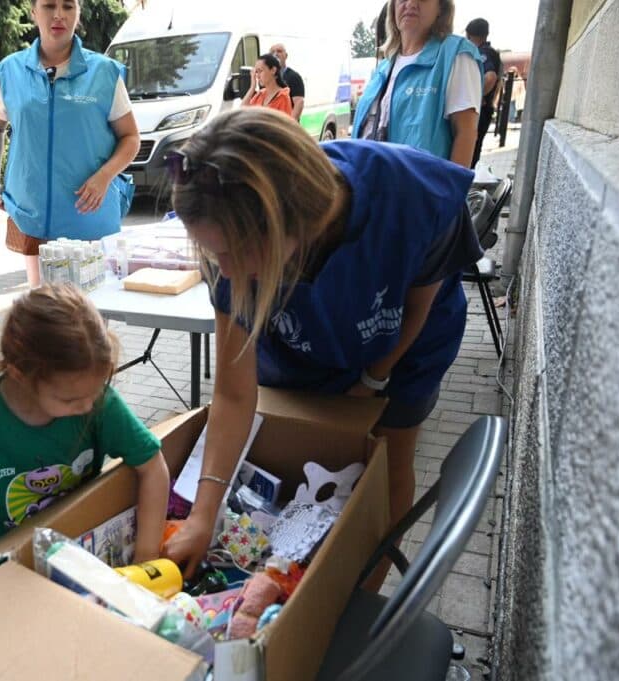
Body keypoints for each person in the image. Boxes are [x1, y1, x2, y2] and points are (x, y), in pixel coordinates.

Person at [160, 108, 483, 587]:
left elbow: (417, 305)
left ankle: (362, 597)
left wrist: (373, 379)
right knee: (303, 454)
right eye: (213, 254)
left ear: (288, 220)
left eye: (234, 253)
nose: (224, 271)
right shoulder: (233, 241)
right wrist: (204, 515)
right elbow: (232, 395)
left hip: (404, 342)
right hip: (305, 336)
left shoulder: (411, 195)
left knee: (386, 465)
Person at [0, 284, 170, 564]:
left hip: (85, 551)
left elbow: (153, 466)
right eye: (70, 399)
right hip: (9, 561)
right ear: (20, 374)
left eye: (95, 391)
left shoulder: (100, 404)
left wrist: (146, 557)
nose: (86, 406)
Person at [0, 0, 141, 288]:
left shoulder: (104, 72)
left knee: (92, 316)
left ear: (78, 14)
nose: (58, 15)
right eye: (49, 5)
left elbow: (131, 138)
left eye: (68, 6)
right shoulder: (9, 71)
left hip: (90, 216)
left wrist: (104, 177)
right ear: (33, 12)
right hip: (32, 218)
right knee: (45, 314)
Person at [352, 0, 483, 167]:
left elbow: (466, 132)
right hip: (370, 186)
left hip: (421, 191)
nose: (411, 3)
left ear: (441, 8)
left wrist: (449, 192)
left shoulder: (454, 55)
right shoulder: (384, 68)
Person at [465, 18, 502, 168]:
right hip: (485, 109)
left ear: (470, 36)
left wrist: (476, 97)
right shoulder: (491, 52)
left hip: (480, 110)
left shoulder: (482, 53)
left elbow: (490, 77)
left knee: (470, 149)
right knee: (474, 149)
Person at [242, 53, 293, 118]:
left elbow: (284, 125)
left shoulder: (283, 97)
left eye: (260, 71)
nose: (257, 75)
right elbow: (242, 112)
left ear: (273, 70)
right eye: (256, 72)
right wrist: (252, 87)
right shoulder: (260, 94)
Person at [269, 43, 305, 122]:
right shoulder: (267, 77)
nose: (275, 54)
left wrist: (290, 123)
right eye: (272, 52)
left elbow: (299, 102)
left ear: (286, 56)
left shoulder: (294, 77)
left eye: (279, 51)